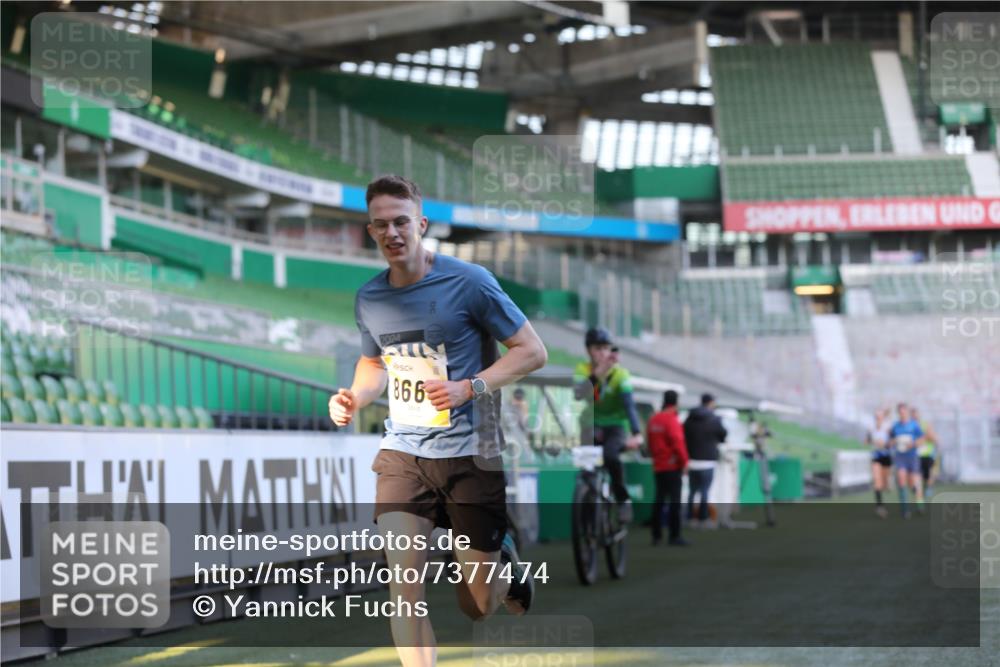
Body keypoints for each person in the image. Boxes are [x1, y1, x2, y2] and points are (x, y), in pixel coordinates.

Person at [328, 175, 548, 667]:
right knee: (403, 585)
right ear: (371, 231)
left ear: (421, 224)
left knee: (479, 606)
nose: (392, 233)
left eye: (401, 222)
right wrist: (355, 396)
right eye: (381, 225)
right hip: (404, 453)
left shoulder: (469, 282)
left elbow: (532, 351)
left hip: (472, 455)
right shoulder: (370, 298)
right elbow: (375, 363)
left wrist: (469, 387)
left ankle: (507, 570)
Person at [573, 328, 643, 521]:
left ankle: (623, 500)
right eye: (598, 348)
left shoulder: (621, 374)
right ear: (589, 350)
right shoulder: (582, 369)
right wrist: (598, 374)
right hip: (590, 425)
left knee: (611, 456)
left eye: (606, 348)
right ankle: (587, 515)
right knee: (586, 471)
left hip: (615, 426)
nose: (602, 352)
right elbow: (578, 394)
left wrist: (636, 433)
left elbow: (629, 405)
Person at [647, 390, 689, 546]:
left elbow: (650, 443)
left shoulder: (653, 419)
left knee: (659, 500)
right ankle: (674, 535)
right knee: (675, 502)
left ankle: (656, 536)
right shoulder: (672, 420)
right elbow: (678, 442)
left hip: (658, 465)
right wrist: (685, 462)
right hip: (672, 466)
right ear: (676, 403)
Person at [683, 393, 727, 525]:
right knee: (704, 491)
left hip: (691, 460)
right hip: (707, 461)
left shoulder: (689, 418)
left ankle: (689, 517)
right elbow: (723, 435)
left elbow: (683, 435)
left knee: (692, 491)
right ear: (711, 403)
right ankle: (703, 518)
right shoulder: (714, 419)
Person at [889, 402, 926, 519]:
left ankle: (919, 501)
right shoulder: (895, 426)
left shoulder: (914, 425)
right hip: (900, 457)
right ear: (898, 413)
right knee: (901, 479)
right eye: (900, 412)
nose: (902, 414)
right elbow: (890, 440)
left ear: (907, 412)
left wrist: (914, 443)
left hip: (912, 456)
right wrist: (893, 442)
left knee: (913, 483)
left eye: (904, 411)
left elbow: (922, 439)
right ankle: (905, 510)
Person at [866, 407, 893, 519]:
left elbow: (892, 441)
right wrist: (873, 441)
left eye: (880, 416)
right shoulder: (871, 428)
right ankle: (880, 507)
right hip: (876, 456)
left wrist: (885, 444)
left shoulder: (888, 427)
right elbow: (866, 441)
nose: (878, 418)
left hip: (886, 456)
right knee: (877, 482)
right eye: (876, 416)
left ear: (883, 417)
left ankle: (888, 483)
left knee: (885, 484)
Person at [911, 407, 939, 498]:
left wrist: (925, 437)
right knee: (916, 474)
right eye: (913, 415)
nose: (914, 417)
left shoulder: (925, 425)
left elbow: (934, 438)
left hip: (927, 454)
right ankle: (918, 490)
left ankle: (928, 486)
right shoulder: (910, 426)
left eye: (916, 415)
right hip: (915, 454)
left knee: (927, 475)